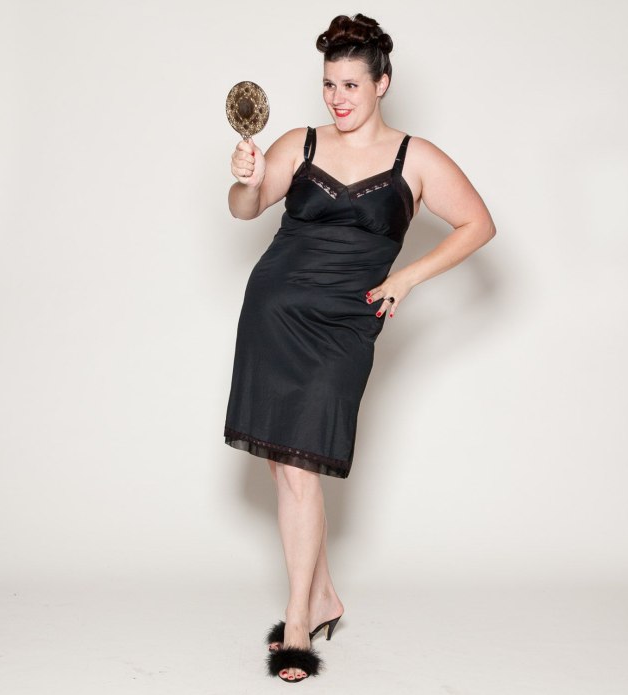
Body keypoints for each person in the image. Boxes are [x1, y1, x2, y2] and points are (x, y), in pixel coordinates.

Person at [223, 13, 496, 683]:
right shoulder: (300, 142)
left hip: (345, 324)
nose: (337, 98)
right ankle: (316, 601)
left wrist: (407, 277)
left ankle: (296, 621)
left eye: (350, 84)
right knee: (286, 465)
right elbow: (244, 210)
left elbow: (478, 224)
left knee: (300, 463)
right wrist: (246, 179)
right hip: (273, 311)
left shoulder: (416, 158)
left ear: (382, 83)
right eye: (328, 84)